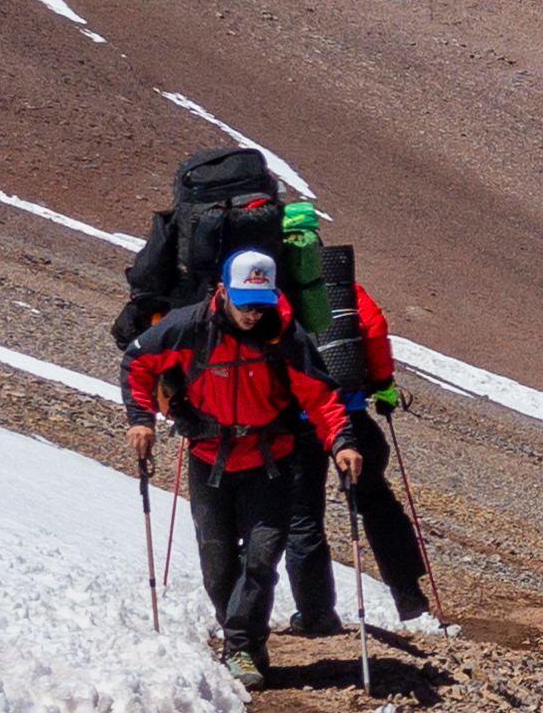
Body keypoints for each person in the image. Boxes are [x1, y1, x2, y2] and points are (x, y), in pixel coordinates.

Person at [123, 250, 362, 690]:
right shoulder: (190, 327)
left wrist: (342, 442)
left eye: (260, 304)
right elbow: (137, 363)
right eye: (244, 303)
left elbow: (320, 396)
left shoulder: (285, 334)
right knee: (217, 565)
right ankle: (244, 639)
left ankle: (240, 647)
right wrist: (141, 419)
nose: (253, 314)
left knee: (260, 558)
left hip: (270, 460)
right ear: (223, 293)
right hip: (208, 456)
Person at [285, 279, 431, 631]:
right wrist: (383, 385)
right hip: (349, 411)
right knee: (375, 499)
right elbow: (374, 327)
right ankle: (410, 599)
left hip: (294, 419)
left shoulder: (270, 288)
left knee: (302, 514)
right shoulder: (340, 284)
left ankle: (316, 614)